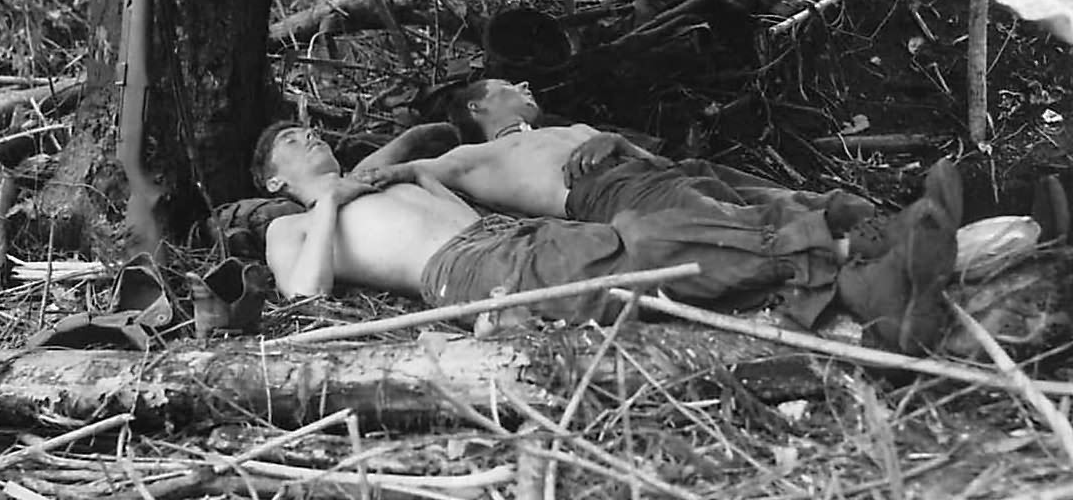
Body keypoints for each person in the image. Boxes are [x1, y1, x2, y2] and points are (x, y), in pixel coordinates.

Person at [254, 105, 961, 354]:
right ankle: (846, 267)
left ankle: (863, 268)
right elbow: (305, 295)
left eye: (308, 126)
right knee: (648, 257)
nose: (308, 133)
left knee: (648, 233)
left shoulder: (383, 182)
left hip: (505, 244)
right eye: (291, 138)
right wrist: (329, 202)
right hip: (461, 275)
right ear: (271, 180)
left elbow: (438, 164)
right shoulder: (290, 227)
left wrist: (397, 173)